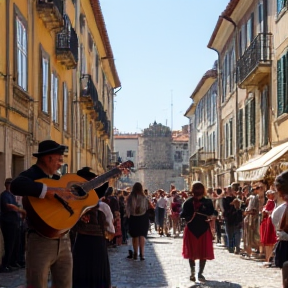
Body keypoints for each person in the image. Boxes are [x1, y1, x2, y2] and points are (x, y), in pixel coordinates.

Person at [10, 140, 73, 288]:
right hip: (40, 241)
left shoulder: (58, 179)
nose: (60, 164)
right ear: (48, 158)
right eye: (59, 160)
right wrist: (46, 191)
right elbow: (16, 185)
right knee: (37, 284)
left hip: (64, 240)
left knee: (65, 284)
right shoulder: (32, 174)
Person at [72, 167, 113, 288]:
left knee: (81, 270)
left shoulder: (75, 205)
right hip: (97, 242)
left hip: (82, 240)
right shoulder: (103, 207)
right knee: (97, 272)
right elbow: (111, 231)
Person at [181, 181, 214, 282]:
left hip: (202, 229)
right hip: (193, 230)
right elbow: (183, 215)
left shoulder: (207, 202)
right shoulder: (188, 202)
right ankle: (194, 272)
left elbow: (212, 213)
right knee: (194, 252)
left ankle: (198, 273)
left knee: (201, 253)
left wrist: (209, 217)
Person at [0, 178, 26, 273]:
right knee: (9, 244)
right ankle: (5, 265)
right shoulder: (5, 195)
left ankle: (13, 262)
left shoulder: (12, 195)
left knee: (16, 244)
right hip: (8, 223)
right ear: (7, 185)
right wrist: (20, 210)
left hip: (15, 222)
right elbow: (9, 206)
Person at [126, 182, 150, 260]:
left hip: (133, 217)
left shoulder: (130, 197)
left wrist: (128, 216)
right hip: (143, 218)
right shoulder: (145, 198)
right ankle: (142, 254)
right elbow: (147, 207)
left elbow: (127, 208)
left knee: (135, 236)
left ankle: (135, 253)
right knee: (142, 236)